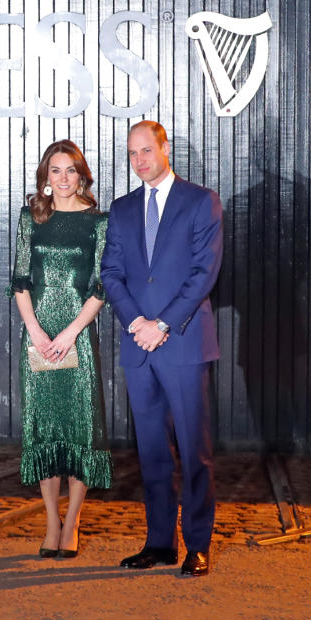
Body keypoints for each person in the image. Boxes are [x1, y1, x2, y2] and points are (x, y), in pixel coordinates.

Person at [100, 121, 223, 577]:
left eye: (147, 151)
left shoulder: (200, 201)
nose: (140, 161)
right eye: (132, 154)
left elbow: (204, 272)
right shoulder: (122, 208)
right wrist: (136, 323)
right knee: (151, 452)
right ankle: (159, 543)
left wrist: (163, 324)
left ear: (165, 148)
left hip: (183, 343)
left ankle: (197, 546)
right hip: (139, 346)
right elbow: (111, 272)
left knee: (194, 451)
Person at [8, 139, 112, 559]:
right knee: (44, 429)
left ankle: (73, 523)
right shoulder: (30, 218)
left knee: (80, 429)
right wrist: (35, 330)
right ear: (45, 178)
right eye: (56, 170)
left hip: (77, 337)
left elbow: (101, 286)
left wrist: (70, 333)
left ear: (82, 175)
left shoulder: (98, 221)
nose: (64, 178)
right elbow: (19, 280)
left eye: (71, 170)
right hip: (38, 337)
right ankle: (52, 520)